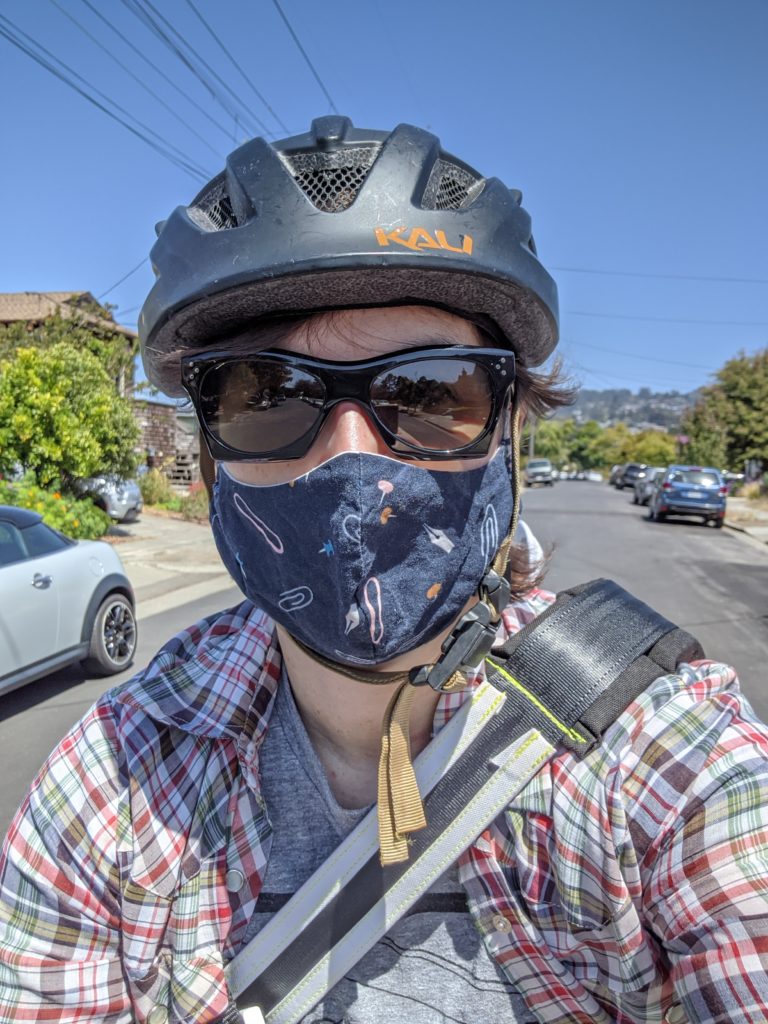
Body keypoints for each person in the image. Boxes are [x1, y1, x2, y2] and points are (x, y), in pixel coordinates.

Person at [1, 116, 767, 1024]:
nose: (351, 461)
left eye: (431, 391)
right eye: (269, 395)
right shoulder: (114, 780)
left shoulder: (662, 754)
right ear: (208, 454)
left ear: (513, 432)